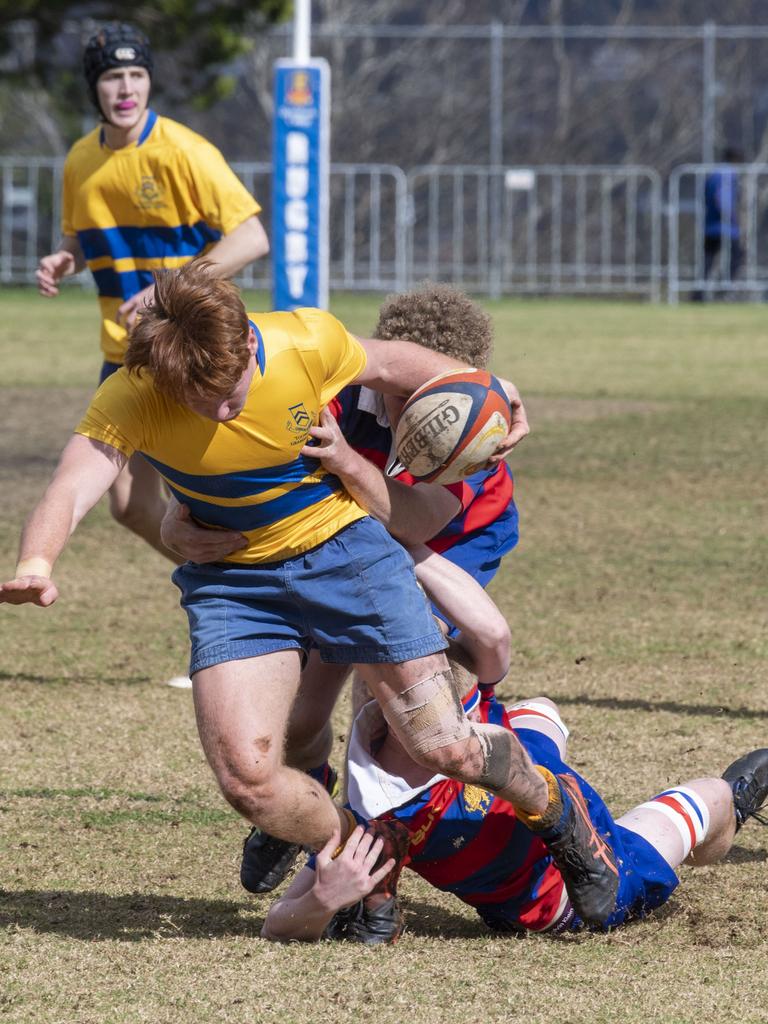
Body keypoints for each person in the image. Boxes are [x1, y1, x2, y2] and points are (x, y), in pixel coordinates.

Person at [0, 263, 622, 932]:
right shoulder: (133, 394)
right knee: (249, 777)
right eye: (201, 399)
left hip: (349, 558)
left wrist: (498, 390)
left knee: (444, 745)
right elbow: (70, 485)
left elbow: (394, 361)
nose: (224, 410)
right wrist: (38, 561)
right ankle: (359, 857)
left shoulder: (302, 342)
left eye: (232, 387)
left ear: (247, 342)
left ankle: (558, 814)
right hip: (236, 584)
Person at [159, 285, 520, 899]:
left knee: (389, 712)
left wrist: (351, 463)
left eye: (425, 394)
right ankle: (306, 791)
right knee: (302, 717)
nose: (411, 405)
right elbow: (228, 463)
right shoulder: (328, 387)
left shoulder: (468, 425)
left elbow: (412, 522)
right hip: (346, 542)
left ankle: (370, 882)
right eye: (401, 390)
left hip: (444, 540)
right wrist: (176, 519)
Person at [263, 670, 768, 942]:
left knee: (538, 710)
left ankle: (563, 798)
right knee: (713, 796)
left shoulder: (462, 707)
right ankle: (730, 817)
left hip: (543, 778)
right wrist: (322, 901)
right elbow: (277, 925)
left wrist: (408, 551)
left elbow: (489, 633)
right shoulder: (377, 817)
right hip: (571, 892)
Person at [35, 23, 269, 561]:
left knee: (216, 493)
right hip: (125, 354)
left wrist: (168, 290)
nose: (126, 89)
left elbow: (252, 237)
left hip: (191, 348)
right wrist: (64, 257)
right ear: (94, 87)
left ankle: (254, 588)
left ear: (149, 82)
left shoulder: (185, 151)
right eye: (113, 77)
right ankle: (225, 581)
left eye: (136, 75)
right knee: (129, 505)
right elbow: (79, 235)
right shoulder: (80, 161)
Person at [694, 146, 743, 301]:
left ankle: (698, 295)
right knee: (737, 255)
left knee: (707, 260)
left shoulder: (714, 173)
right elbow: (721, 197)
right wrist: (730, 215)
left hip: (710, 225)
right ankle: (724, 286)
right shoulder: (728, 174)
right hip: (725, 226)